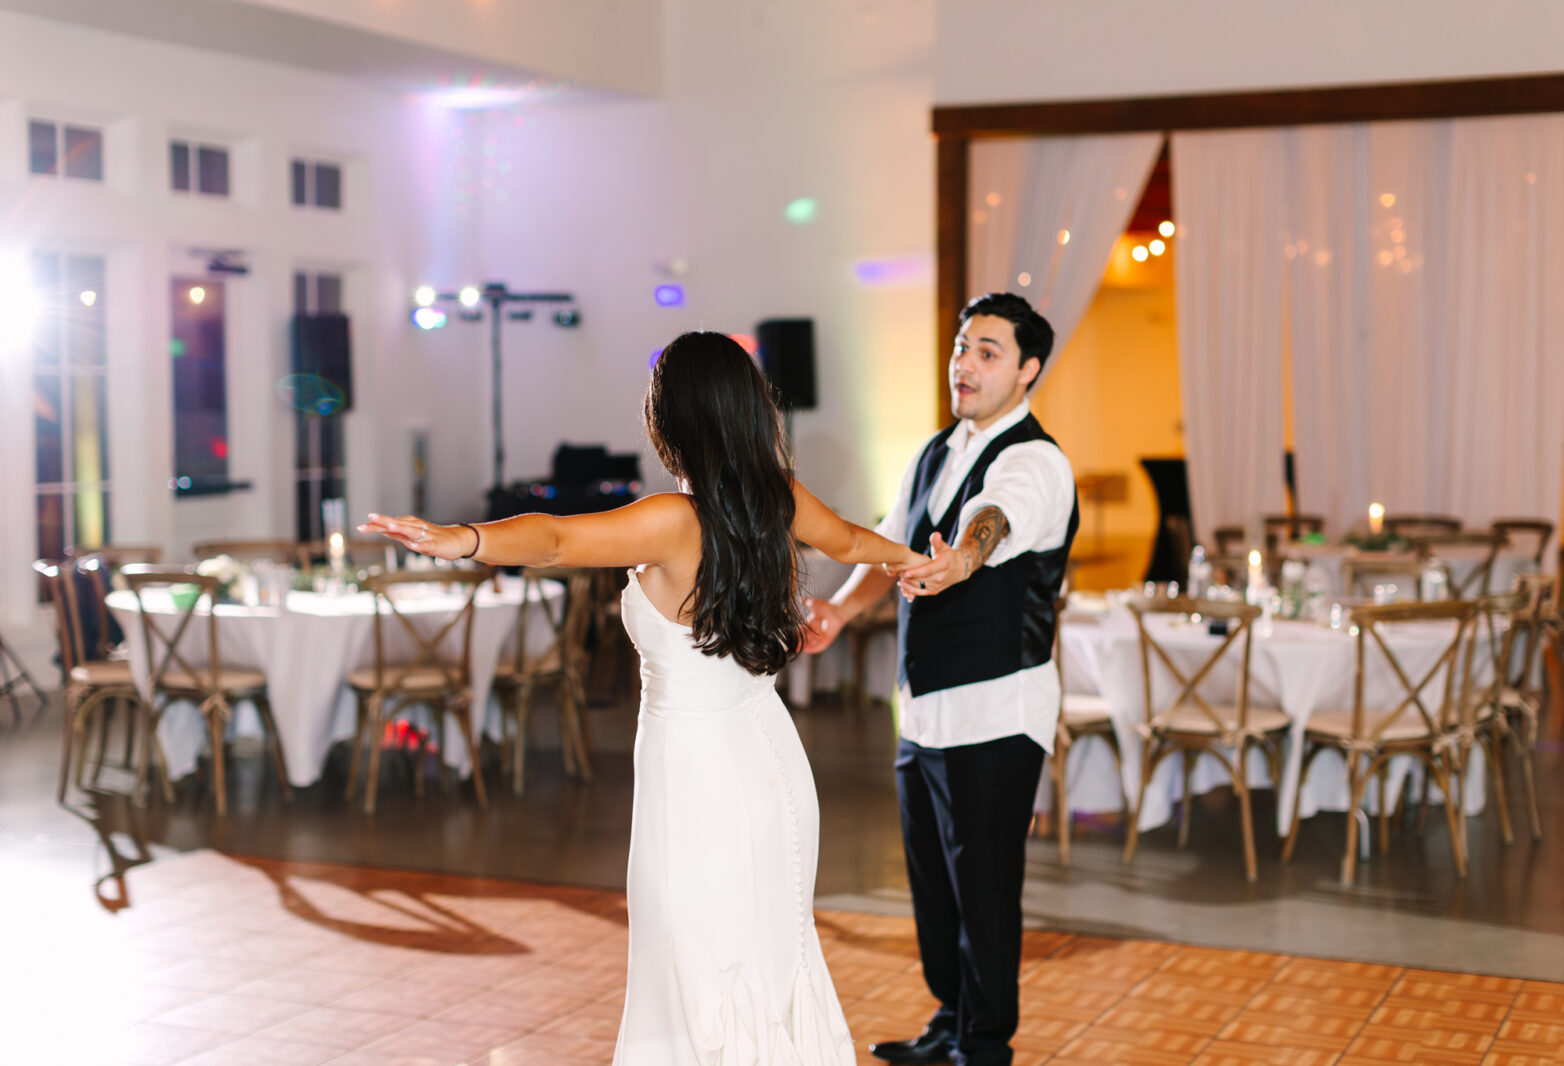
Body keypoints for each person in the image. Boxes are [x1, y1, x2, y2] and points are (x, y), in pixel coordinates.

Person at [362, 330, 926, 1066]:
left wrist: (464, 539)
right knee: (768, 951)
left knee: (695, 960)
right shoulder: (773, 500)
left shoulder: (672, 520)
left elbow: (558, 543)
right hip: (773, 764)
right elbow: (852, 542)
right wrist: (916, 559)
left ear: (671, 419)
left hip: (698, 775)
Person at [803, 293, 1077, 1066]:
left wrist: (962, 556)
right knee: (934, 887)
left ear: (1027, 371)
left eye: (988, 352)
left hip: (996, 713)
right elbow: (891, 544)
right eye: (963, 347)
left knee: (984, 889)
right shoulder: (933, 451)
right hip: (923, 712)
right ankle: (952, 1020)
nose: (965, 364)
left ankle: (984, 1047)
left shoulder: (1037, 461)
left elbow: (995, 518)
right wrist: (841, 614)